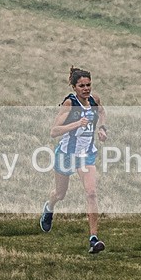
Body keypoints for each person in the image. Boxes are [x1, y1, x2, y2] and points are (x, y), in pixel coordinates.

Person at [40, 66, 108, 253]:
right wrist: (77, 123)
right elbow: (54, 132)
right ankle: (49, 207)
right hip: (66, 154)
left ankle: (93, 239)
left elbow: (101, 113)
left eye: (88, 85)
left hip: (86, 154)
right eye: (81, 86)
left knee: (91, 193)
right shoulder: (69, 104)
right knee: (60, 194)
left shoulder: (95, 99)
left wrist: (102, 129)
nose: (86, 89)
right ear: (74, 87)